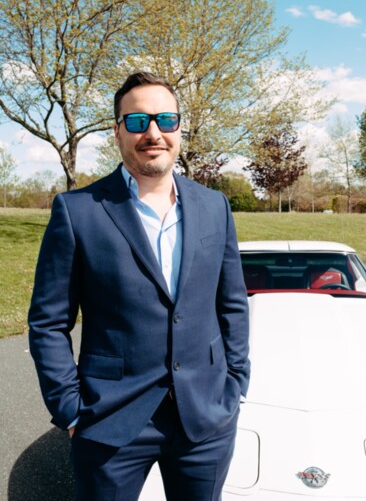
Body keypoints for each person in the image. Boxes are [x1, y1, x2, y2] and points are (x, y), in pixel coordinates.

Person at [28, 71, 250, 501]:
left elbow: (232, 304)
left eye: (166, 120)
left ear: (179, 128)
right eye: (137, 121)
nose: (153, 133)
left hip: (205, 419)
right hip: (110, 420)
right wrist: (70, 410)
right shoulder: (77, 212)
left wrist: (235, 384)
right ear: (117, 131)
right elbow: (48, 322)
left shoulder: (214, 206)